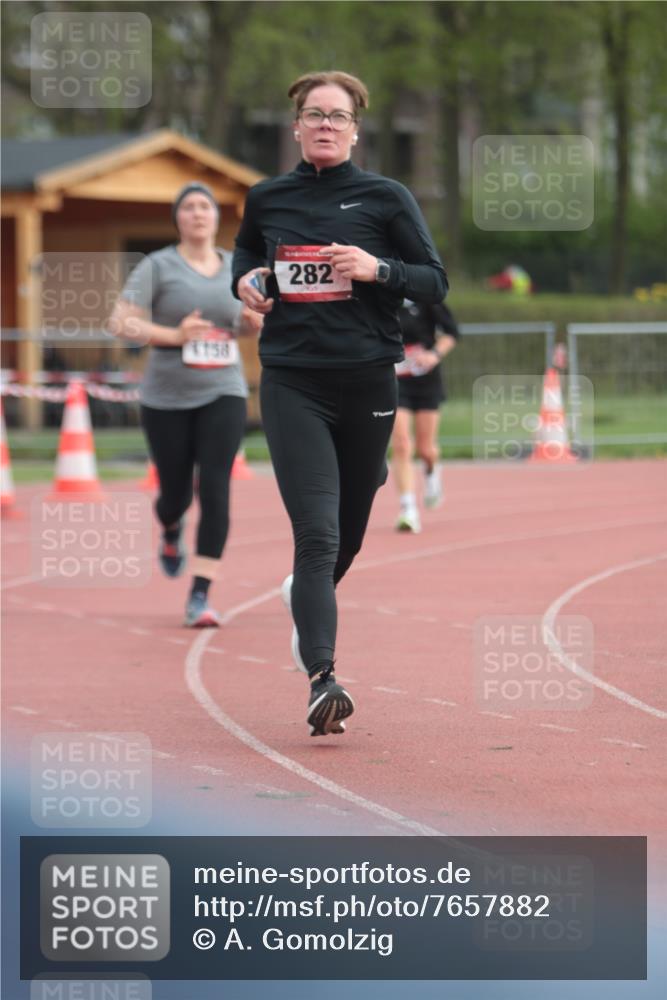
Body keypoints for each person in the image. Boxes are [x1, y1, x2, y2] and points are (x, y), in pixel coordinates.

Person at [233, 70, 447, 736]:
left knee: (347, 536)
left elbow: (434, 283)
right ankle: (322, 678)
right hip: (293, 380)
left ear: (355, 129)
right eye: (313, 114)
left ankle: (306, 597)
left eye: (338, 115)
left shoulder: (385, 198)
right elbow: (243, 252)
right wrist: (243, 279)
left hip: (367, 382)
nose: (325, 124)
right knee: (318, 533)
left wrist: (374, 268)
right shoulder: (267, 197)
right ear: (295, 126)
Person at [110, 182, 261, 627]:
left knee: (215, 489)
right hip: (166, 396)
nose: (198, 214)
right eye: (189, 207)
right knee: (174, 494)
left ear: (217, 218)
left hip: (224, 391)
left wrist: (253, 324)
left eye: (205, 207)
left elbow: (251, 324)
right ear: (178, 218)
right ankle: (171, 528)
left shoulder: (237, 267)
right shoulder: (158, 266)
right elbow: (119, 321)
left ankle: (200, 595)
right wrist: (174, 336)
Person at [392, 299, 459, 533]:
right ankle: (408, 508)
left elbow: (451, 333)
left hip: (426, 379)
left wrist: (434, 355)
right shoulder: (380, 292)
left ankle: (432, 473)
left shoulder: (424, 294)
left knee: (426, 449)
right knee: (401, 444)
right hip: (395, 379)